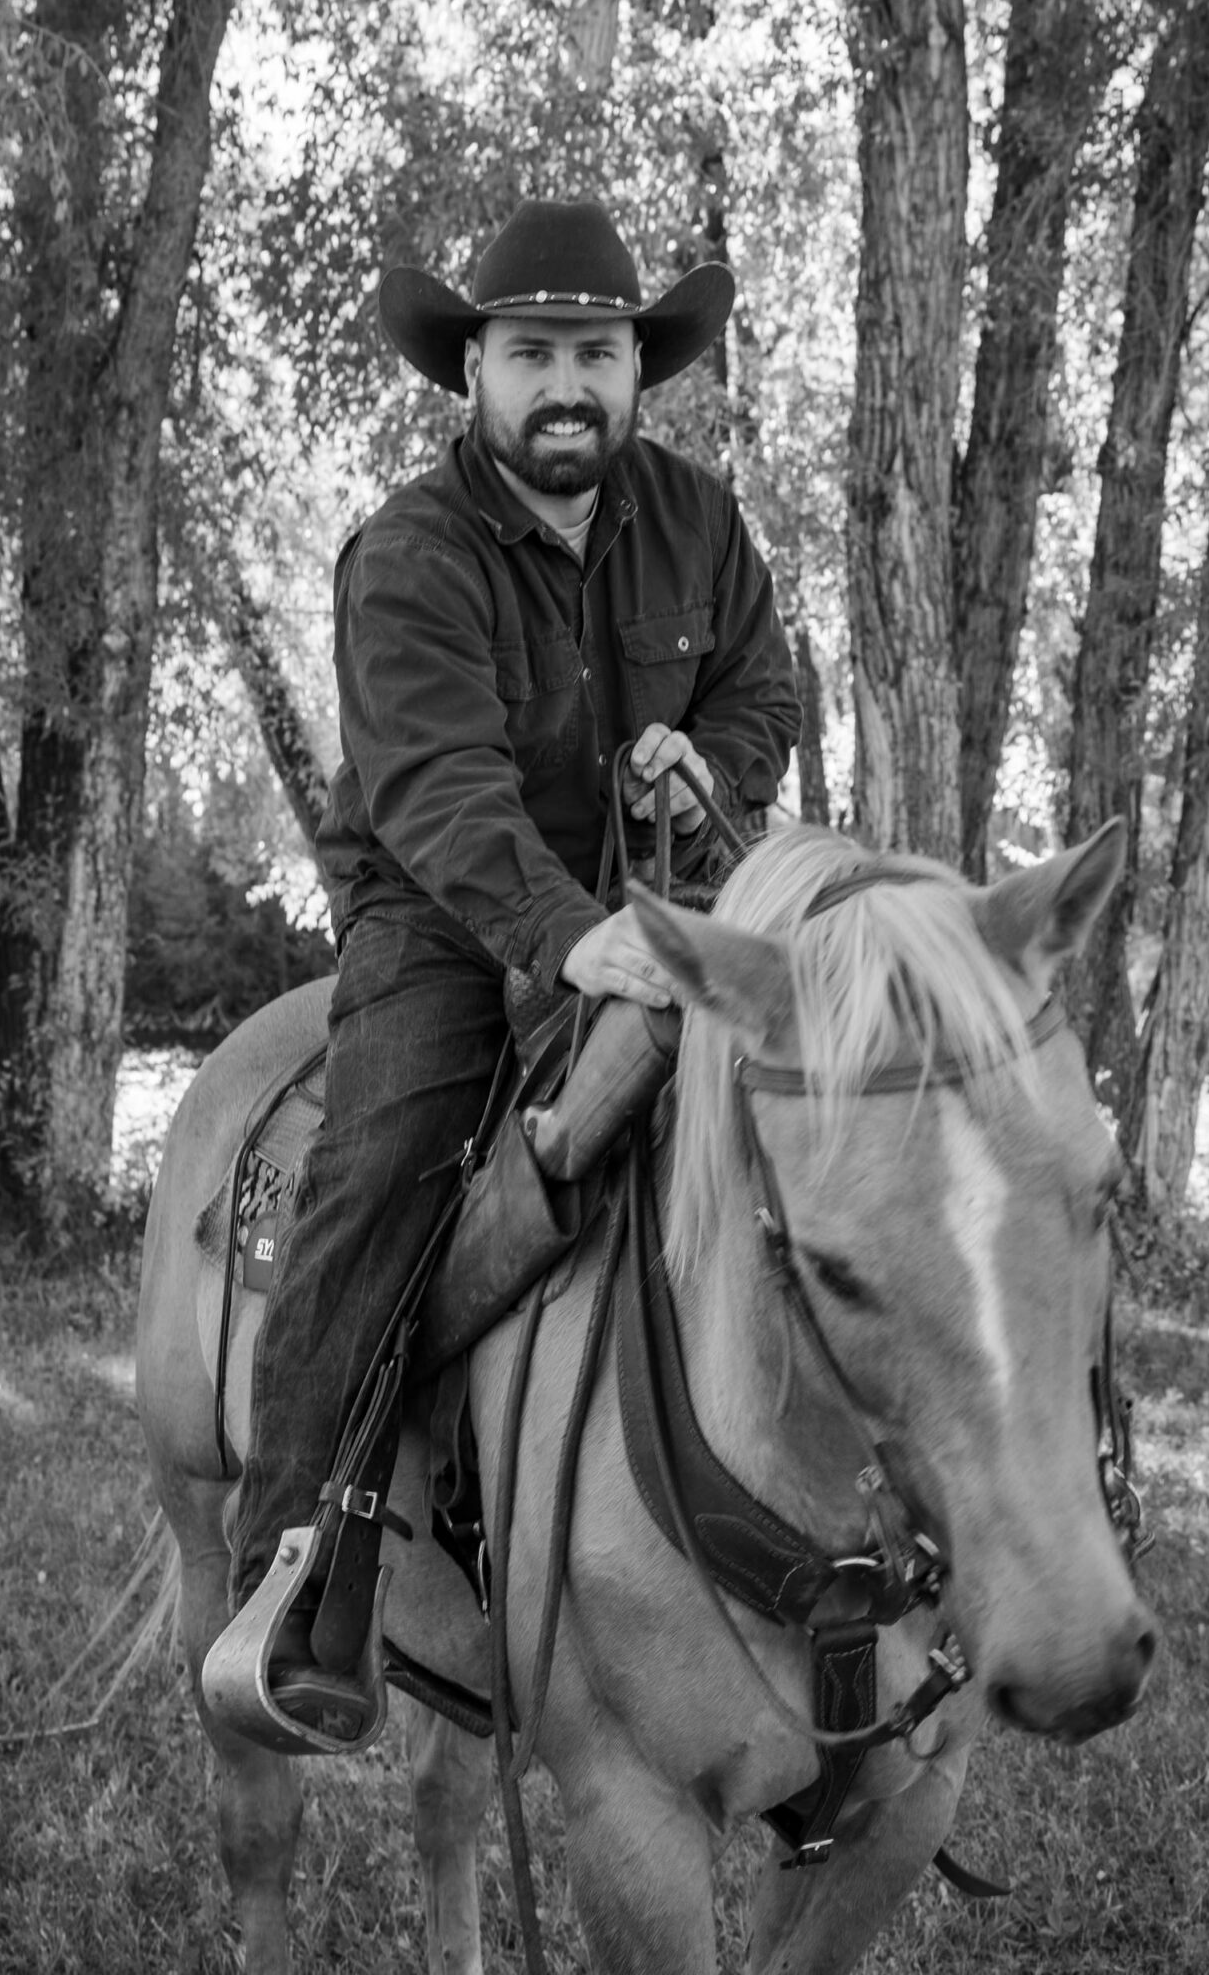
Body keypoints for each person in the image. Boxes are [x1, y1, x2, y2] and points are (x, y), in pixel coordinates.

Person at [216, 197, 801, 1730]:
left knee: (827, 1105)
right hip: (443, 904)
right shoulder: (408, 551)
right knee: (390, 1152)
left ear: (635, 370)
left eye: (594, 352)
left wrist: (711, 763)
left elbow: (760, 688)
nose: (567, 383)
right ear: (471, 369)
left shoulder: (698, 519)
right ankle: (290, 1582)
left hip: (652, 881)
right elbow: (439, 789)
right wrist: (565, 938)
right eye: (531, 350)